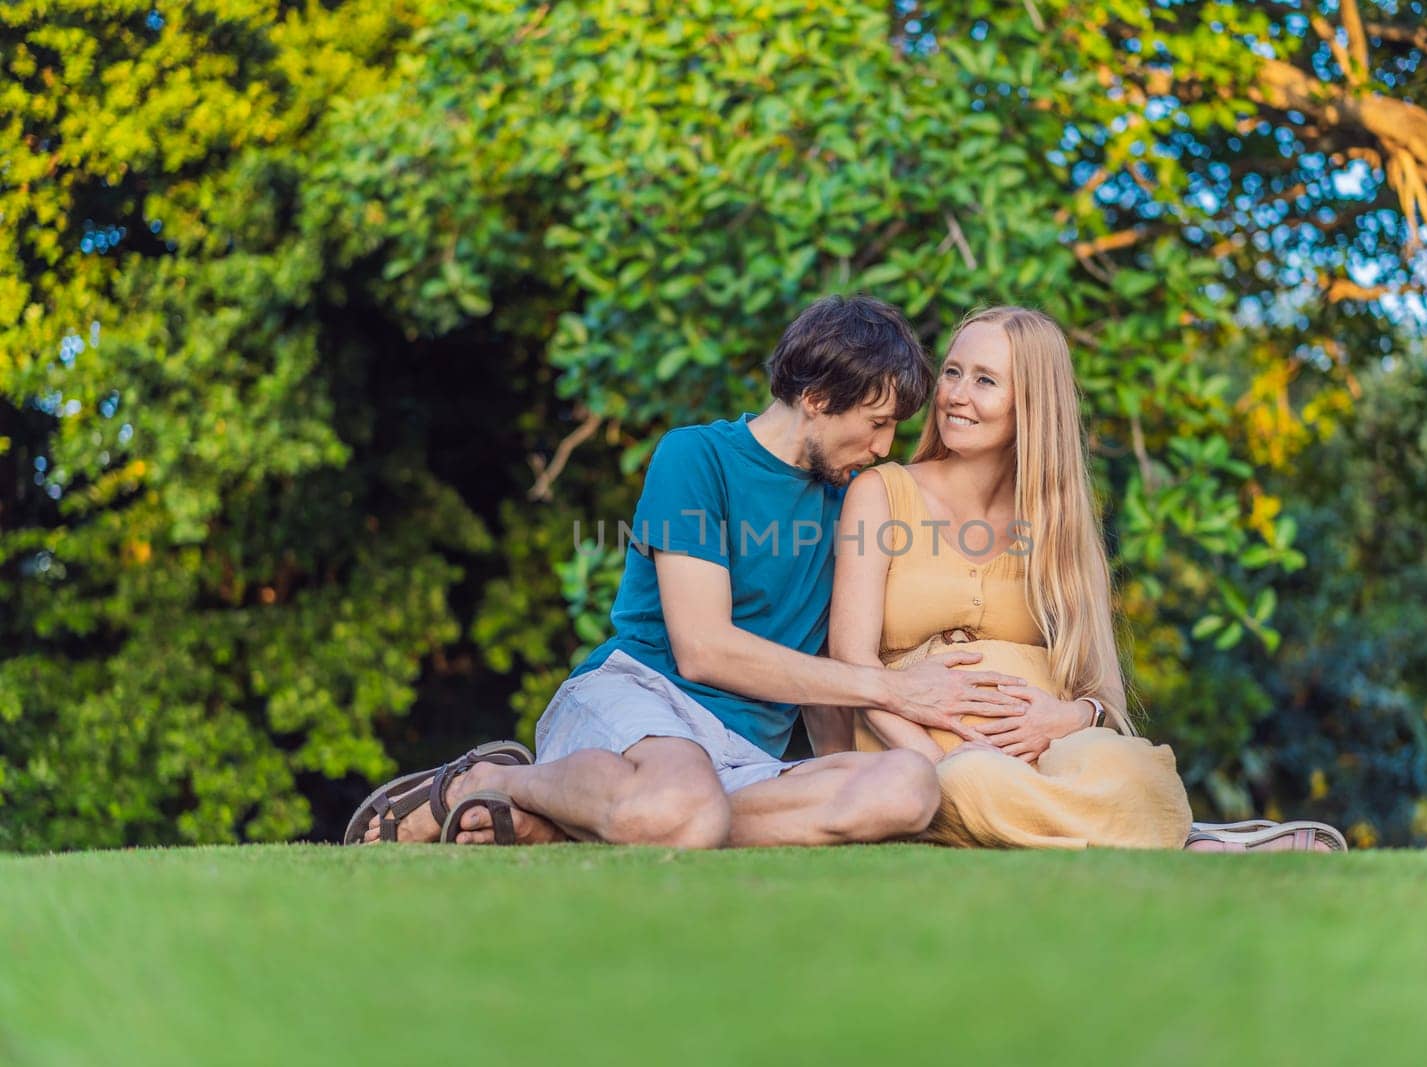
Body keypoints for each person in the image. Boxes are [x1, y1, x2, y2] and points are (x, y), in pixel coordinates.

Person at [344, 295, 1033, 849]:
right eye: (877, 423)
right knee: (683, 804)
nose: (885, 447)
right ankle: (492, 780)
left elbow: (820, 667)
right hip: (644, 700)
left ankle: (587, 823)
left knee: (907, 788)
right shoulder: (697, 457)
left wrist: (839, 762)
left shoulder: (853, 500)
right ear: (819, 398)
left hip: (740, 760)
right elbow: (702, 649)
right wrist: (894, 689)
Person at [823, 306, 1345, 852]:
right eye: (952, 372)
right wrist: (941, 762)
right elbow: (851, 664)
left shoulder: (1059, 522)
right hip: (916, 753)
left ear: (1032, 404)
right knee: (978, 783)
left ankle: (1120, 830)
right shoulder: (881, 494)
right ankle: (1191, 846)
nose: (957, 394)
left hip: (1047, 751)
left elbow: (1104, 696)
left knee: (1137, 767)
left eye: (985, 381)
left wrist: (1062, 719)